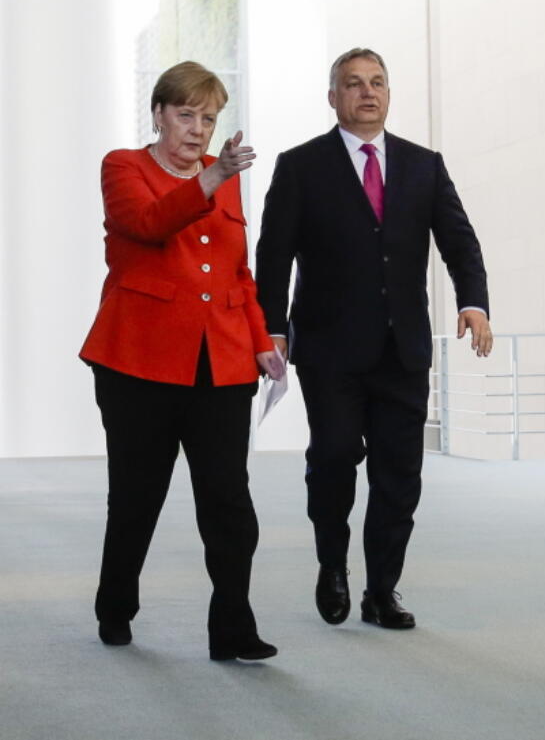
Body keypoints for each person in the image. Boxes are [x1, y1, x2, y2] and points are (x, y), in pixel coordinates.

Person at [255, 47, 491, 631]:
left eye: (378, 83)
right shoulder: (300, 166)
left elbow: (459, 240)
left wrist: (473, 302)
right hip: (331, 349)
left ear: (389, 93)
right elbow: (273, 255)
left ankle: (382, 590)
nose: (368, 93)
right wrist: (271, 328)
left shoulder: (423, 165)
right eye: (354, 83)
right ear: (332, 96)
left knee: (398, 475)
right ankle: (332, 565)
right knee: (334, 458)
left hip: (404, 350)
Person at [80, 61, 284, 661]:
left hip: (219, 365)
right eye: (187, 114)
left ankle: (233, 629)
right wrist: (212, 176)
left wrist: (261, 342)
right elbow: (146, 224)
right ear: (159, 113)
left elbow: (236, 275)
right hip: (136, 362)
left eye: (210, 118)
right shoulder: (124, 166)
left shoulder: (224, 179)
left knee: (229, 502)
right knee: (137, 496)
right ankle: (115, 606)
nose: (198, 129)